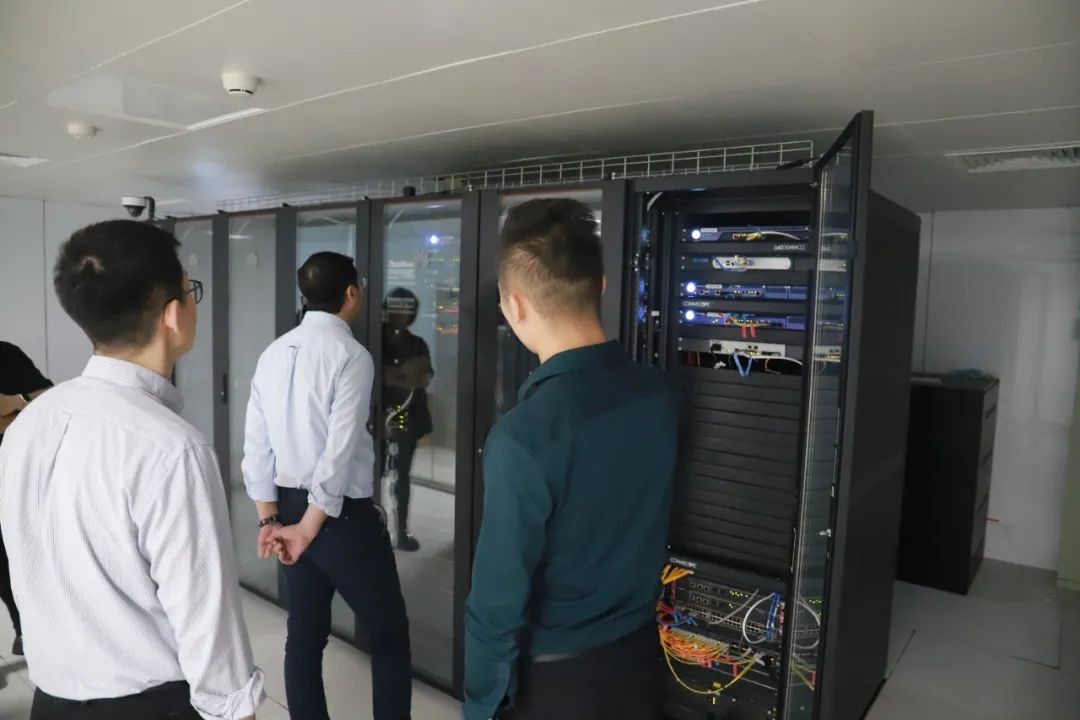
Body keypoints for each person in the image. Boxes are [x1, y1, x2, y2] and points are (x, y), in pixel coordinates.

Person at [0, 220, 264, 720]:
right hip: (151, 706)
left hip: (50, 701)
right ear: (172, 314)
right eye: (190, 290)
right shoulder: (173, 448)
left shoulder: (30, 422)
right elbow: (207, 623)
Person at [464, 199, 679, 720]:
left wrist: (481, 705)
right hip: (640, 663)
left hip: (560, 685)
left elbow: (496, 603)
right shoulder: (661, 394)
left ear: (514, 306)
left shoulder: (523, 438)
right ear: (600, 286)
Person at [242, 251, 412, 720]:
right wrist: (310, 525)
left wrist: (271, 520)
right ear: (351, 293)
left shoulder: (273, 353)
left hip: (288, 509)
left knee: (304, 637)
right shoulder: (351, 355)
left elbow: (255, 445)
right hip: (339, 517)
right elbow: (338, 451)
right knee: (389, 636)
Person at [0, 341, 52, 657]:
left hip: (12, 479)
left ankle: (26, 631)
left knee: (13, 562)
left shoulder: (5, 354)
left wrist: (16, 401)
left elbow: (48, 398)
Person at [382, 287, 434, 552]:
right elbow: (384, 376)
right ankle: (378, 531)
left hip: (406, 417)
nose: (401, 316)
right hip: (379, 417)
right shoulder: (376, 338)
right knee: (375, 473)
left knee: (401, 475)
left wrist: (398, 375)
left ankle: (400, 531)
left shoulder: (416, 343)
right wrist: (406, 373)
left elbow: (424, 378)